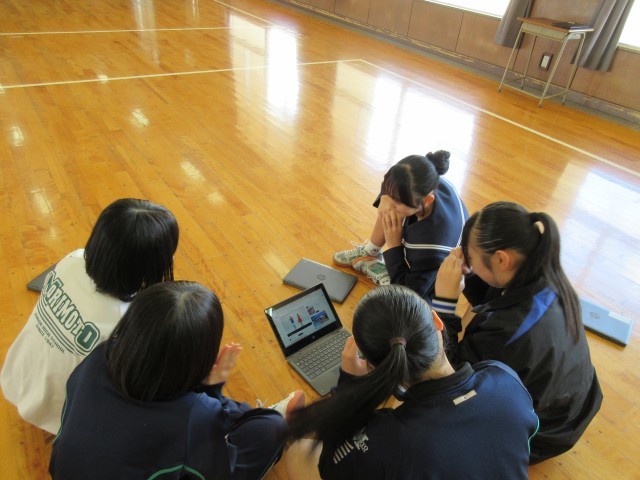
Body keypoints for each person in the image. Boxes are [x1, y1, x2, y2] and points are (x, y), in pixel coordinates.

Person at [50, 281, 304, 480]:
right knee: (271, 426)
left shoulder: (100, 355)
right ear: (200, 359)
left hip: (63, 472)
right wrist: (213, 389)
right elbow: (218, 473)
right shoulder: (194, 416)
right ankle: (260, 415)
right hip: (192, 428)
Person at [285, 285, 538, 480]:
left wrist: (348, 386)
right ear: (436, 321)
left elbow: (330, 468)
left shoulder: (388, 440)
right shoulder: (504, 377)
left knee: (298, 449)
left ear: (372, 365)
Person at [432, 201, 603, 464]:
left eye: (471, 257)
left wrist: (444, 304)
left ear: (502, 259)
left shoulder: (506, 331)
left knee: (432, 412)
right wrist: (471, 273)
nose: (467, 260)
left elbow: (455, 376)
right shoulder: (546, 274)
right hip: (571, 407)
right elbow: (497, 296)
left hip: (538, 435)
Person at [1, 198, 179, 434]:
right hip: (59, 416)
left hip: (17, 376)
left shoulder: (73, 259)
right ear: (150, 265)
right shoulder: (126, 323)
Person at [333, 150, 468, 300]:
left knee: (396, 299)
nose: (388, 203)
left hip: (430, 285)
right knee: (390, 208)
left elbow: (409, 294)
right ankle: (370, 252)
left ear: (427, 200)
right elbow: (391, 181)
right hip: (429, 242)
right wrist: (385, 197)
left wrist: (394, 246)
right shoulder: (425, 180)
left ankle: (388, 272)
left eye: (397, 200)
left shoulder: (432, 251)